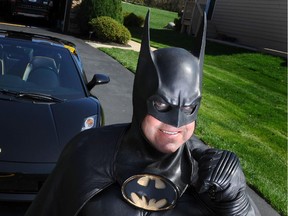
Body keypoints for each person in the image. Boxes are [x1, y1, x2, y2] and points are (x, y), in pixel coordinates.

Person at [25, 10, 260, 216]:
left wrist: (238, 204)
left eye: (189, 108)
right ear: (141, 99)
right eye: (162, 105)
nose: (177, 121)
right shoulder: (88, 152)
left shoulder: (209, 176)